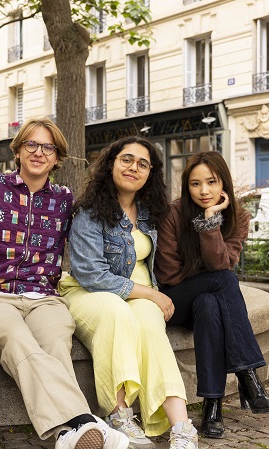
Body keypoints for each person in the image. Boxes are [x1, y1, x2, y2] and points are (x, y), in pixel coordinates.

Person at [0, 117, 128, 449]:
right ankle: (84, 421)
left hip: (44, 295)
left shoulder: (65, 200)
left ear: (57, 157)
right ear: (19, 150)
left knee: (56, 341)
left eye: (48, 147)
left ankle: (68, 436)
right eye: (31, 144)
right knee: (17, 340)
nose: (39, 152)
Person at [57, 136, 197, 449]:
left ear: (150, 174)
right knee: (116, 311)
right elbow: (91, 275)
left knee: (149, 323)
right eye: (127, 159)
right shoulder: (89, 212)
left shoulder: (151, 212)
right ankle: (119, 414)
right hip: (89, 292)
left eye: (142, 164)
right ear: (111, 164)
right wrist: (150, 294)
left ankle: (182, 426)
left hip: (140, 295)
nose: (134, 167)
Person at [155, 151, 269, 439]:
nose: (204, 191)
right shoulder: (172, 214)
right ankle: (249, 380)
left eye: (211, 182)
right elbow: (170, 275)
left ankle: (212, 407)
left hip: (203, 301)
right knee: (222, 282)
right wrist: (208, 273)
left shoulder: (237, 217)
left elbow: (223, 263)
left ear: (223, 181)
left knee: (210, 304)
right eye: (195, 184)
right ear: (187, 187)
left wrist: (211, 222)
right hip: (175, 299)